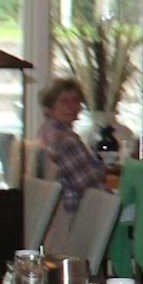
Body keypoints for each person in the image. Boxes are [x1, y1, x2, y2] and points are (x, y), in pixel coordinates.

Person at [36, 76, 108, 215]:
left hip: (58, 209)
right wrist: (102, 170)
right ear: (50, 107)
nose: (71, 106)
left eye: (75, 100)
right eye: (64, 101)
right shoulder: (66, 140)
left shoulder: (45, 131)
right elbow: (87, 183)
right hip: (79, 211)